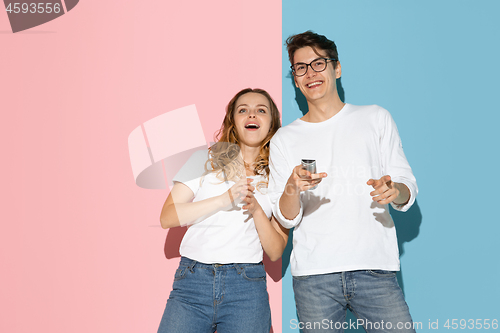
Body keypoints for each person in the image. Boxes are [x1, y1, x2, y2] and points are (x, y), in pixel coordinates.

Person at [268, 31, 418, 332]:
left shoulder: (375, 118)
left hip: (374, 267)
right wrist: (292, 188)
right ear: (296, 80)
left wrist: (395, 190)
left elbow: (406, 186)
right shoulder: (285, 138)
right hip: (314, 276)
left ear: (337, 68)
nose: (310, 73)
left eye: (318, 63)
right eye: (300, 68)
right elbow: (285, 217)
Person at [157, 88, 288, 333]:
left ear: (271, 124)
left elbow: (275, 250)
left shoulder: (278, 175)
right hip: (192, 281)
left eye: (261, 110)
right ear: (233, 121)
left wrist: (257, 210)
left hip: (246, 288)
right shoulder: (203, 160)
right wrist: (222, 200)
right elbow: (167, 217)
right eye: (243, 110)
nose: (252, 115)